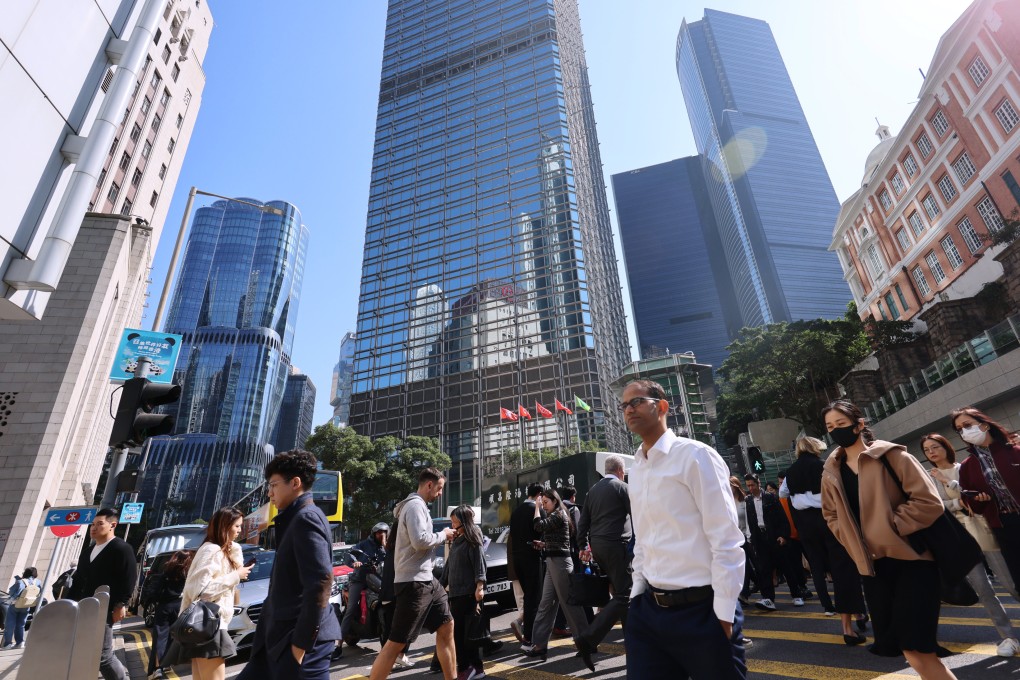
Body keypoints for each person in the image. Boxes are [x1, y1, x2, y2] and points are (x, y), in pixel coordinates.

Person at [820, 400, 956, 679]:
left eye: (841, 425)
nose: (835, 431)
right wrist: (850, 537)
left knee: (919, 647)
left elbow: (928, 502)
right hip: (872, 568)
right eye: (829, 427)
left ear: (859, 425)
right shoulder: (831, 471)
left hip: (913, 560)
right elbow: (830, 514)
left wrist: (891, 526)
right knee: (906, 650)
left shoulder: (893, 457)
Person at [623, 379, 746, 679]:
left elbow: (726, 538)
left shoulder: (695, 456)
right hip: (648, 612)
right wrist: (636, 596)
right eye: (624, 405)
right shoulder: (636, 468)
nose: (629, 410)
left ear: (662, 406)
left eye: (636, 401)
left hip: (702, 610)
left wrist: (724, 610)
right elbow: (642, 538)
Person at [238, 450, 342, 680]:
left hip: (299, 641)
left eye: (273, 485)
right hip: (277, 637)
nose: (269, 492)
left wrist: (300, 646)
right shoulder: (295, 517)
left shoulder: (306, 518)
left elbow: (320, 581)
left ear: (295, 483)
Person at [923, 432, 1020, 656]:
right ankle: (1007, 636)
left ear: (946, 446)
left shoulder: (965, 467)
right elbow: (937, 506)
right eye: (927, 449)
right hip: (957, 536)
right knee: (983, 591)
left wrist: (954, 494)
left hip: (983, 528)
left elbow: (977, 496)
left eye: (935, 446)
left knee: (1010, 583)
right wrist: (960, 501)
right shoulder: (929, 477)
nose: (931, 452)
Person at [369, 467, 456, 680]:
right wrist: (443, 534)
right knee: (395, 643)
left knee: (447, 626)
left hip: (426, 580)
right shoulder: (415, 506)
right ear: (429, 485)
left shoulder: (416, 506)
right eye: (439, 488)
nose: (440, 493)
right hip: (414, 583)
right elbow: (420, 541)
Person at [782, 436, 868, 644]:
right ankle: (852, 621)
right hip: (828, 518)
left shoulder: (790, 472)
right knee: (843, 567)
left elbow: (783, 493)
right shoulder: (823, 466)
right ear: (815, 448)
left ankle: (830, 606)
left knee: (817, 566)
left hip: (805, 524)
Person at [520, 489, 594, 669]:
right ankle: (539, 645)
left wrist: (536, 507)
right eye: (542, 502)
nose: (544, 505)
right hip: (552, 561)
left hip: (560, 563)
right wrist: (544, 544)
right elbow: (558, 540)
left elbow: (538, 526)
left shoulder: (560, 514)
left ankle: (587, 643)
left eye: (546, 502)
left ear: (555, 501)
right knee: (546, 603)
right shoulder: (556, 515)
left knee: (569, 604)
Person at [950, 407, 1020, 592]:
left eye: (967, 425)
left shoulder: (1014, 451)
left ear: (984, 425)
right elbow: (971, 503)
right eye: (959, 429)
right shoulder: (967, 466)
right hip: (1003, 524)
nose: (964, 431)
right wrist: (978, 500)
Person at [177, 507, 252, 680]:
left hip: (206, 624)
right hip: (208, 624)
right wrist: (235, 576)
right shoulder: (212, 550)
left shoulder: (218, 550)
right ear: (224, 526)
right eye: (237, 526)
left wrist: (236, 566)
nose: (240, 531)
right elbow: (200, 590)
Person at [69, 507, 137, 680]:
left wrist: (121, 604)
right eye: (92, 524)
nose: (94, 528)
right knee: (83, 652)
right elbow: (78, 581)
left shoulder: (121, 548)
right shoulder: (87, 552)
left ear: (113, 525)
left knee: (103, 657)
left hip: (104, 609)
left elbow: (128, 579)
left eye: (100, 524)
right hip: (83, 609)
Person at [576, 454, 632, 652]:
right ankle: (589, 637)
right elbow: (638, 516)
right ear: (619, 471)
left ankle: (632, 641)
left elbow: (582, 524)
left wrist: (583, 547)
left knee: (620, 593)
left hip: (598, 548)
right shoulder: (622, 488)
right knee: (625, 594)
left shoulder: (592, 491)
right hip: (617, 546)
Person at [744, 474, 806, 610]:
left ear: (758, 483)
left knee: (786, 567)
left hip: (775, 537)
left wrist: (784, 535)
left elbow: (782, 517)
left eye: (752, 485)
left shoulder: (770, 497)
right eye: (748, 485)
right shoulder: (748, 500)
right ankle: (768, 599)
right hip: (759, 539)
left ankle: (797, 595)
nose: (750, 488)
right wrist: (751, 539)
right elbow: (749, 521)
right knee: (764, 570)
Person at [441, 505, 487, 680]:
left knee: (466, 635)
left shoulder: (473, 538)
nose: (453, 526)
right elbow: (448, 568)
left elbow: (479, 564)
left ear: (464, 523)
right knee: (463, 634)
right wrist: (439, 586)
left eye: (455, 523)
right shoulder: (457, 541)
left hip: (468, 594)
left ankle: (469, 668)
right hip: (456, 593)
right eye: (452, 522)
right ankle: (475, 668)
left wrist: (479, 586)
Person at [145, 550, 191, 678]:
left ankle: (157, 668)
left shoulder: (167, 572)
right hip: (180, 606)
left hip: (164, 607)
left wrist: (157, 600)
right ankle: (168, 663)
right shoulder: (188, 573)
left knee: (160, 637)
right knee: (175, 636)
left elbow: (154, 591)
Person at [507, 483, 544, 646]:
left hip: (518, 559)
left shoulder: (515, 512)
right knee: (534, 598)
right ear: (540, 495)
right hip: (533, 557)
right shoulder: (536, 510)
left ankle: (528, 634)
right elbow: (541, 531)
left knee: (528, 597)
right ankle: (531, 636)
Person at [341, 521, 389, 647]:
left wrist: (385, 544)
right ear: (374, 534)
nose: (381, 535)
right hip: (360, 580)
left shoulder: (386, 547)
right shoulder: (364, 544)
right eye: (379, 533)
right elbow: (350, 553)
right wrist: (354, 562)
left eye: (384, 533)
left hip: (376, 579)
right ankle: (338, 644)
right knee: (350, 609)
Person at [2, 567, 40, 649]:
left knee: (10, 624)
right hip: (27, 605)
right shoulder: (37, 582)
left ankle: (7, 644)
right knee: (21, 624)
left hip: (16, 605)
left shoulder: (20, 582)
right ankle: (20, 642)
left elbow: (12, 592)